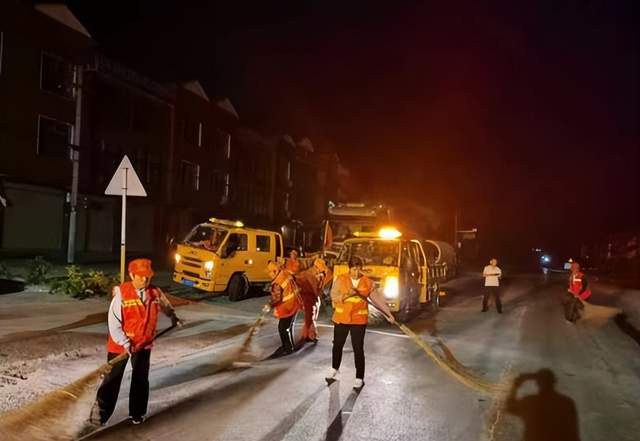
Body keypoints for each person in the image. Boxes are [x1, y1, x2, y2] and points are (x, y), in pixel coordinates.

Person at [92, 259, 181, 426]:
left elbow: (165, 305)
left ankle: (137, 413)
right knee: (112, 379)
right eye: (140, 276)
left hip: (144, 343)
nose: (145, 280)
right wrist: (126, 343)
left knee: (140, 378)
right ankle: (100, 415)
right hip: (120, 345)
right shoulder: (122, 294)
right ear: (132, 275)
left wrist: (173, 316)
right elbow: (114, 323)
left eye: (147, 276)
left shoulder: (155, 292)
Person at [326, 257, 393, 390]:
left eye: (358, 269)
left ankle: (359, 378)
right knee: (337, 345)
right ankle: (334, 369)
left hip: (358, 320)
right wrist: (347, 295)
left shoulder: (367, 282)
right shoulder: (341, 279)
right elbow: (334, 296)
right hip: (342, 318)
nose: (356, 272)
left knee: (358, 348)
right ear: (349, 269)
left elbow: (378, 300)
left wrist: (388, 314)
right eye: (353, 269)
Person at [267, 260, 302, 357]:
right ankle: (289, 346)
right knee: (288, 327)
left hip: (288, 307)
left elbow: (277, 298)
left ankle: (287, 349)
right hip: (295, 304)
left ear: (275, 271)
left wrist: (269, 305)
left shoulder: (278, 282)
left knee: (282, 328)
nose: (268, 274)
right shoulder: (285, 273)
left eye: (269, 271)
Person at [296, 258, 332, 343]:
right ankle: (307, 335)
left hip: (314, 298)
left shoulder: (319, 275)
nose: (322, 269)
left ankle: (310, 335)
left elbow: (328, 277)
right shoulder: (306, 274)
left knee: (312, 318)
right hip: (308, 298)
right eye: (321, 267)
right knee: (310, 318)